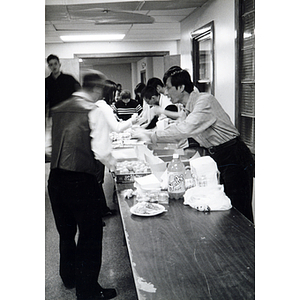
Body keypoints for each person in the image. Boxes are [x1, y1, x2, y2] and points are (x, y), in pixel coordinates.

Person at [48, 72, 138, 300]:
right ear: (97, 89)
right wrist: (118, 168)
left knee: (66, 233)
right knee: (90, 235)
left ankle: (69, 277)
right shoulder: (93, 110)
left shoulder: (58, 109)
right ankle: (87, 291)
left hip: (56, 179)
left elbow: (49, 146)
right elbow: (101, 151)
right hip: (81, 181)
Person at [135, 68, 254, 222]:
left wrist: (152, 136)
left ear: (181, 87)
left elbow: (185, 129)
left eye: (169, 87)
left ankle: (248, 246)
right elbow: (180, 131)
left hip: (233, 154)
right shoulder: (187, 108)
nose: (165, 92)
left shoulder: (204, 101)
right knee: (226, 207)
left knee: (240, 211)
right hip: (220, 156)